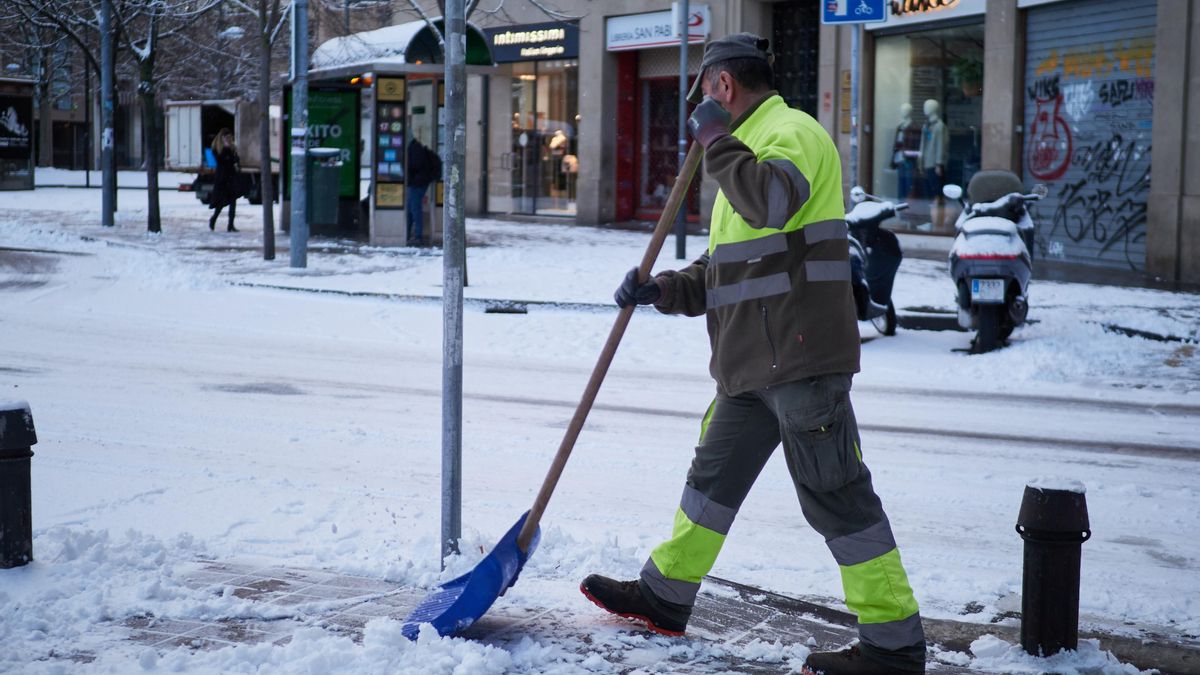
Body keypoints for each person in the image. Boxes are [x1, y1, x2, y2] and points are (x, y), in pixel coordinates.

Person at [579, 33, 926, 675]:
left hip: (799, 361)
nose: (700, 110)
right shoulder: (743, 150)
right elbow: (726, 270)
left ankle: (893, 646)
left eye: (703, 96)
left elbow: (769, 203)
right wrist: (664, 289)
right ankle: (665, 595)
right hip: (746, 368)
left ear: (723, 86)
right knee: (709, 487)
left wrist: (715, 139)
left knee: (838, 498)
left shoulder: (791, 134)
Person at [406, 135, 439, 246]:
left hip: (417, 183)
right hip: (417, 183)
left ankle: (418, 236)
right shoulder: (415, 148)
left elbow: (415, 165)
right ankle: (408, 233)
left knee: (415, 209)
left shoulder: (414, 148)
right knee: (410, 209)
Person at [208, 128, 240, 232]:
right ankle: (213, 219)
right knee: (221, 201)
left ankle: (231, 224)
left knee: (233, 201)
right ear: (222, 138)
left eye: (230, 137)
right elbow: (221, 160)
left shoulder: (232, 147)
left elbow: (234, 160)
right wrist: (226, 148)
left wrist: (234, 159)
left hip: (231, 176)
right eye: (226, 137)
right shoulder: (216, 147)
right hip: (222, 178)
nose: (229, 139)